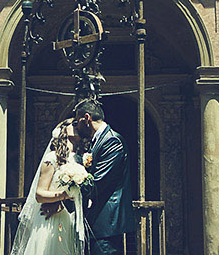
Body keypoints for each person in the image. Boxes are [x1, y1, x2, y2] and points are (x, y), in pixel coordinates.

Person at [9, 119, 89, 255]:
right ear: (63, 130)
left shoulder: (81, 159)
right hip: (51, 217)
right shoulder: (52, 158)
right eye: (73, 124)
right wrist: (63, 196)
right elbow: (39, 194)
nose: (77, 127)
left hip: (71, 218)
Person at [72, 100, 135, 254]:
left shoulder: (112, 141)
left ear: (86, 118)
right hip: (98, 223)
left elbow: (98, 182)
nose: (76, 126)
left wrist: (70, 181)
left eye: (77, 121)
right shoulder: (98, 141)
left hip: (107, 223)